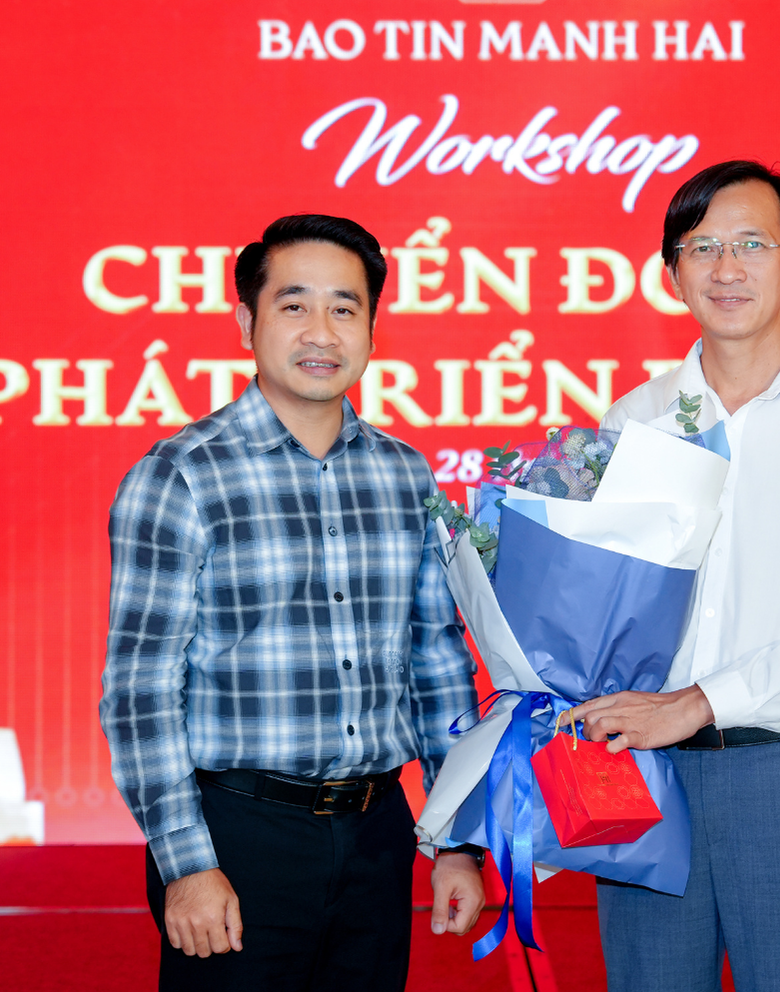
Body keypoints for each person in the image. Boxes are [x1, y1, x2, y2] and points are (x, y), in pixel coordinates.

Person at [99, 214, 485, 992]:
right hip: (239, 837)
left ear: (372, 329)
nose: (321, 331)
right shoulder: (181, 474)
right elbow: (140, 691)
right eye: (294, 305)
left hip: (376, 831)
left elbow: (436, 663)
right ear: (247, 322)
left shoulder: (404, 474)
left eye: (344, 308)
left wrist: (458, 839)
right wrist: (186, 863)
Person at [565, 160, 780, 992]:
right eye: (702, 247)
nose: (727, 268)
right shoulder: (635, 420)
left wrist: (700, 702)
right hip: (651, 778)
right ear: (671, 272)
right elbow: (606, 613)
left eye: (752, 244)